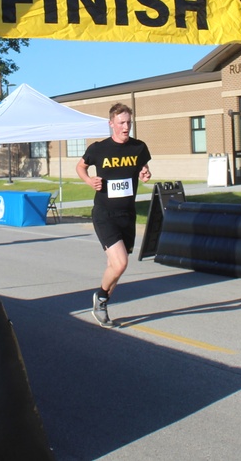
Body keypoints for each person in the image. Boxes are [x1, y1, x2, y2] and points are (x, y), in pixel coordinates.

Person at [76, 103, 152, 328]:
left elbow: (143, 169)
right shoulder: (99, 149)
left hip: (127, 214)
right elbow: (80, 167)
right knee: (120, 263)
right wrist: (89, 180)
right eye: (121, 123)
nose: (126, 127)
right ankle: (100, 297)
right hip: (104, 213)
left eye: (129, 122)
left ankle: (103, 303)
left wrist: (145, 173)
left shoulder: (139, 148)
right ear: (111, 124)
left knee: (117, 266)